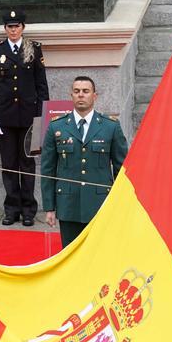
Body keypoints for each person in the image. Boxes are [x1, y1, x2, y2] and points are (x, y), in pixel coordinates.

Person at [41, 76, 129, 248]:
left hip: (100, 204)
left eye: (85, 91)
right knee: (69, 253)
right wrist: (49, 207)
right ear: (71, 96)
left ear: (94, 96)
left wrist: (121, 204)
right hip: (67, 204)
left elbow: (122, 169)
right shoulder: (56, 127)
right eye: (77, 91)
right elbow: (48, 170)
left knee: (98, 253)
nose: (81, 95)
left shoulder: (110, 126)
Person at [0, 10, 48, 226]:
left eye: (17, 26)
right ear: (5, 29)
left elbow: (41, 87)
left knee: (27, 164)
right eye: (9, 26)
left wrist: (42, 119)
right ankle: (11, 209)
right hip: (5, 118)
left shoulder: (34, 49)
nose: (13, 30)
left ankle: (29, 209)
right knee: (9, 164)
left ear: (23, 27)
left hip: (29, 118)